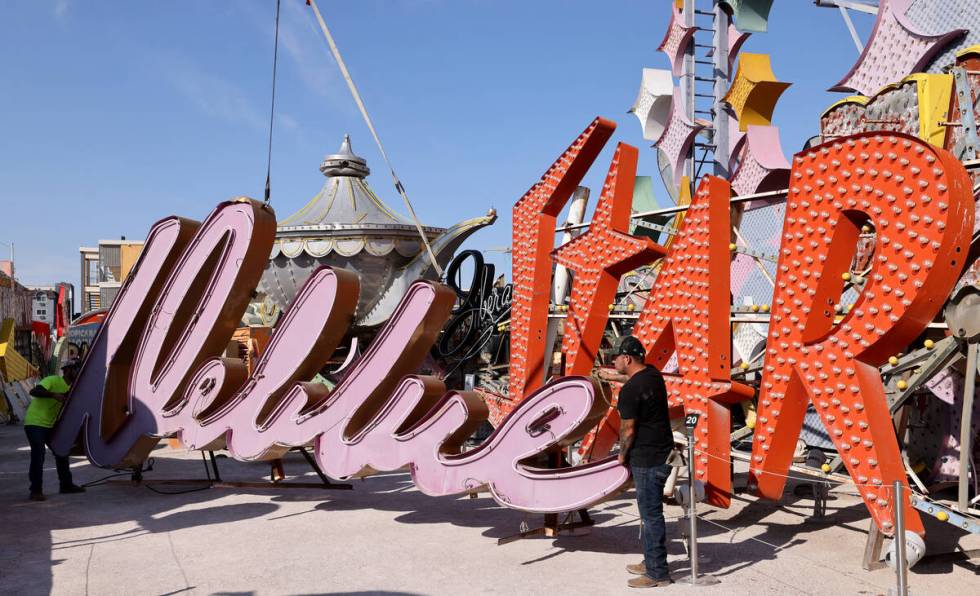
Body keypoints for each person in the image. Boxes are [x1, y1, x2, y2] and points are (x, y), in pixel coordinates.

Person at [613, 335, 674, 588]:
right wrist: (612, 378)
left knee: (650, 517)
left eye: (614, 357)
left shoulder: (630, 391)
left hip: (647, 460)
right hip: (661, 454)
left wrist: (621, 455)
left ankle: (657, 574)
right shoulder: (652, 375)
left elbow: (627, 430)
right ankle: (651, 561)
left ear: (626, 358)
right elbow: (633, 380)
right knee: (650, 514)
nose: (612, 361)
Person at [24, 360, 85, 501]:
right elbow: (34, 391)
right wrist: (53, 395)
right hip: (35, 423)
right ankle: (35, 490)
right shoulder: (52, 380)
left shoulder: (72, 388)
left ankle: (66, 485)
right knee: (39, 455)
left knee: (61, 451)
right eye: (76, 369)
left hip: (50, 425)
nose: (78, 372)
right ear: (68, 370)